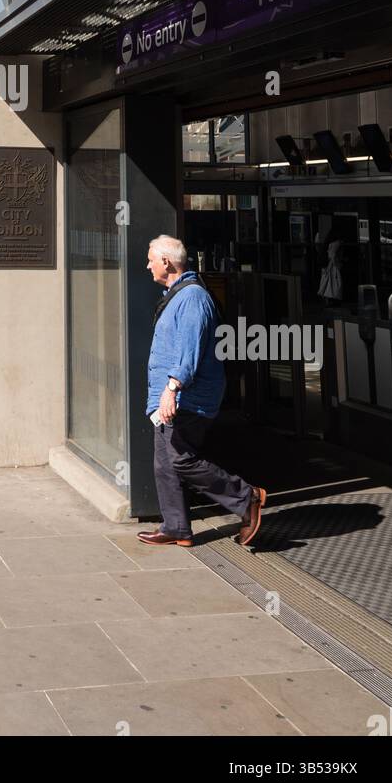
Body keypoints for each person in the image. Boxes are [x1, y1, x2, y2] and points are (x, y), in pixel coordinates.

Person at [138, 234, 265, 549]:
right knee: (164, 462)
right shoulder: (177, 295)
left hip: (186, 397)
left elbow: (190, 353)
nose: (148, 265)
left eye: (151, 259)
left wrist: (171, 389)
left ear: (166, 262)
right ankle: (176, 527)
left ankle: (245, 496)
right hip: (167, 397)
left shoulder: (192, 298)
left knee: (180, 459)